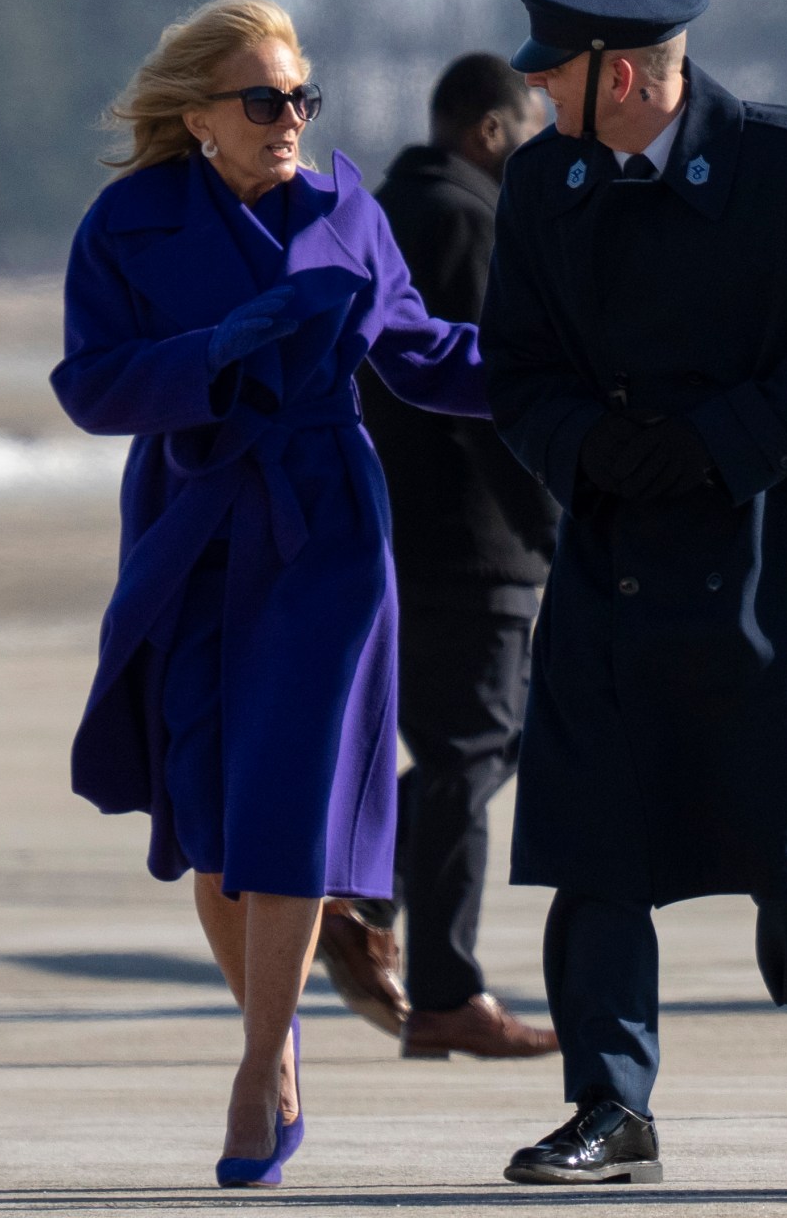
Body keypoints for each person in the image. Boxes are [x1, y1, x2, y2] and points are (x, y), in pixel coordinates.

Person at [478, 0, 787, 1185]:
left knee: (783, 831)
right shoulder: (543, 181)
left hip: (767, 551)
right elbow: (512, 368)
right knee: (594, 831)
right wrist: (595, 448)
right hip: (613, 544)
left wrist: (718, 446)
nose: (535, 95)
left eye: (552, 73)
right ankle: (612, 1107)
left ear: (619, 76)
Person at [50, 0, 489, 1187]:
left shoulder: (350, 210)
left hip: (325, 534)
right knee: (210, 813)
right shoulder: (126, 226)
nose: (290, 117)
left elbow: (419, 350)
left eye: (303, 97)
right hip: (191, 522)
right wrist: (212, 353)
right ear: (198, 116)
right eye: (264, 100)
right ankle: (279, 1024)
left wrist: (563, 389)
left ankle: (258, 1065)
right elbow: (89, 387)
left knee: (288, 800)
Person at [319, 54, 560, 1062]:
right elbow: (485, 401)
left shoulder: (385, 212)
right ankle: (445, 985)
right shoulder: (465, 221)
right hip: (471, 540)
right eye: (531, 127)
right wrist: (555, 521)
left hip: (393, 534)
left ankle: (357, 889)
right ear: (489, 130)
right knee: (473, 753)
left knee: (477, 749)